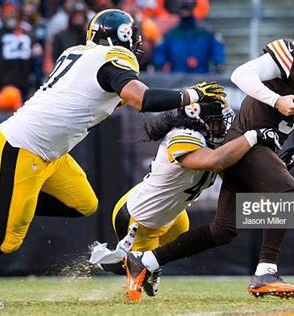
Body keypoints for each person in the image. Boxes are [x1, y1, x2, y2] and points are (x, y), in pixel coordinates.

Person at [0, 9, 225, 282]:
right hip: (24, 146)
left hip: (49, 151)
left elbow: (105, 98)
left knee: (83, 203)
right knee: (7, 239)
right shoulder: (111, 59)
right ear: (121, 37)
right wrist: (192, 94)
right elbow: (141, 100)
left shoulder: (80, 53)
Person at [122, 19, 294, 300]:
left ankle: (145, 261)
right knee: (287, 192)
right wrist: (276, 100)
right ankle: (266, 272)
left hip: (267, 145)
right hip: (246, 140)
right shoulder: (292, 56)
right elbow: (241, 74)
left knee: (222, 230)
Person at [90, 102, 280, 301]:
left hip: (175, 215)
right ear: (199, 120)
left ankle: (147, 265)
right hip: (138, 218)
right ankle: (106, 260)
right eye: (217, 123)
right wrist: (252, 137)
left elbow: (227, 170)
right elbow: (216, 161)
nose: (223, 128)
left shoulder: (209, 142)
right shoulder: (183, 136)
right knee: (133, 269)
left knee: (166, 253)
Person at [153, 0, 225, 73]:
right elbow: (160, 52)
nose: (185, 12)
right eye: (182, 8)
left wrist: (219, 61)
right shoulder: (170, 34)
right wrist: (159, 63)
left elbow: (217, 47)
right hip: (177, 78)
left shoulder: (206, 33)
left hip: (202, 75)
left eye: (186, 8)